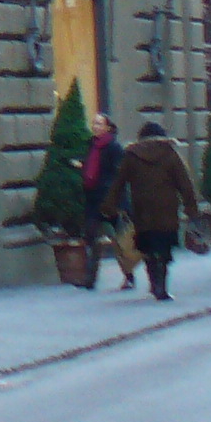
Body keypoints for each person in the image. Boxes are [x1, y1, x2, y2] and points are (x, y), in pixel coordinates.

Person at [104, 120, 200, 301]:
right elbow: (185, 184)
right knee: (164, 249)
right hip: (167, 210)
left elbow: (118, 183)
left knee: (147, 248)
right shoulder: (170, 154)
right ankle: (161, 287)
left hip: (142, 210)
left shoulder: (131, 156)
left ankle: (153, 283)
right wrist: (192, 210)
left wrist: (109, 207)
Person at [78, 112, 126, 290]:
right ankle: (90, 279)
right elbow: (91, 166)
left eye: (99, 124)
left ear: (107, 127)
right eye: (94, 123)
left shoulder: (114, 147)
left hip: (109, 200)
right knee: (91, 237)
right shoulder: (91, 145)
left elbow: (119, 173)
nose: (95, 127)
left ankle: (129, 275)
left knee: (119, 240)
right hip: (92, 198)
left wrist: (114, 195)